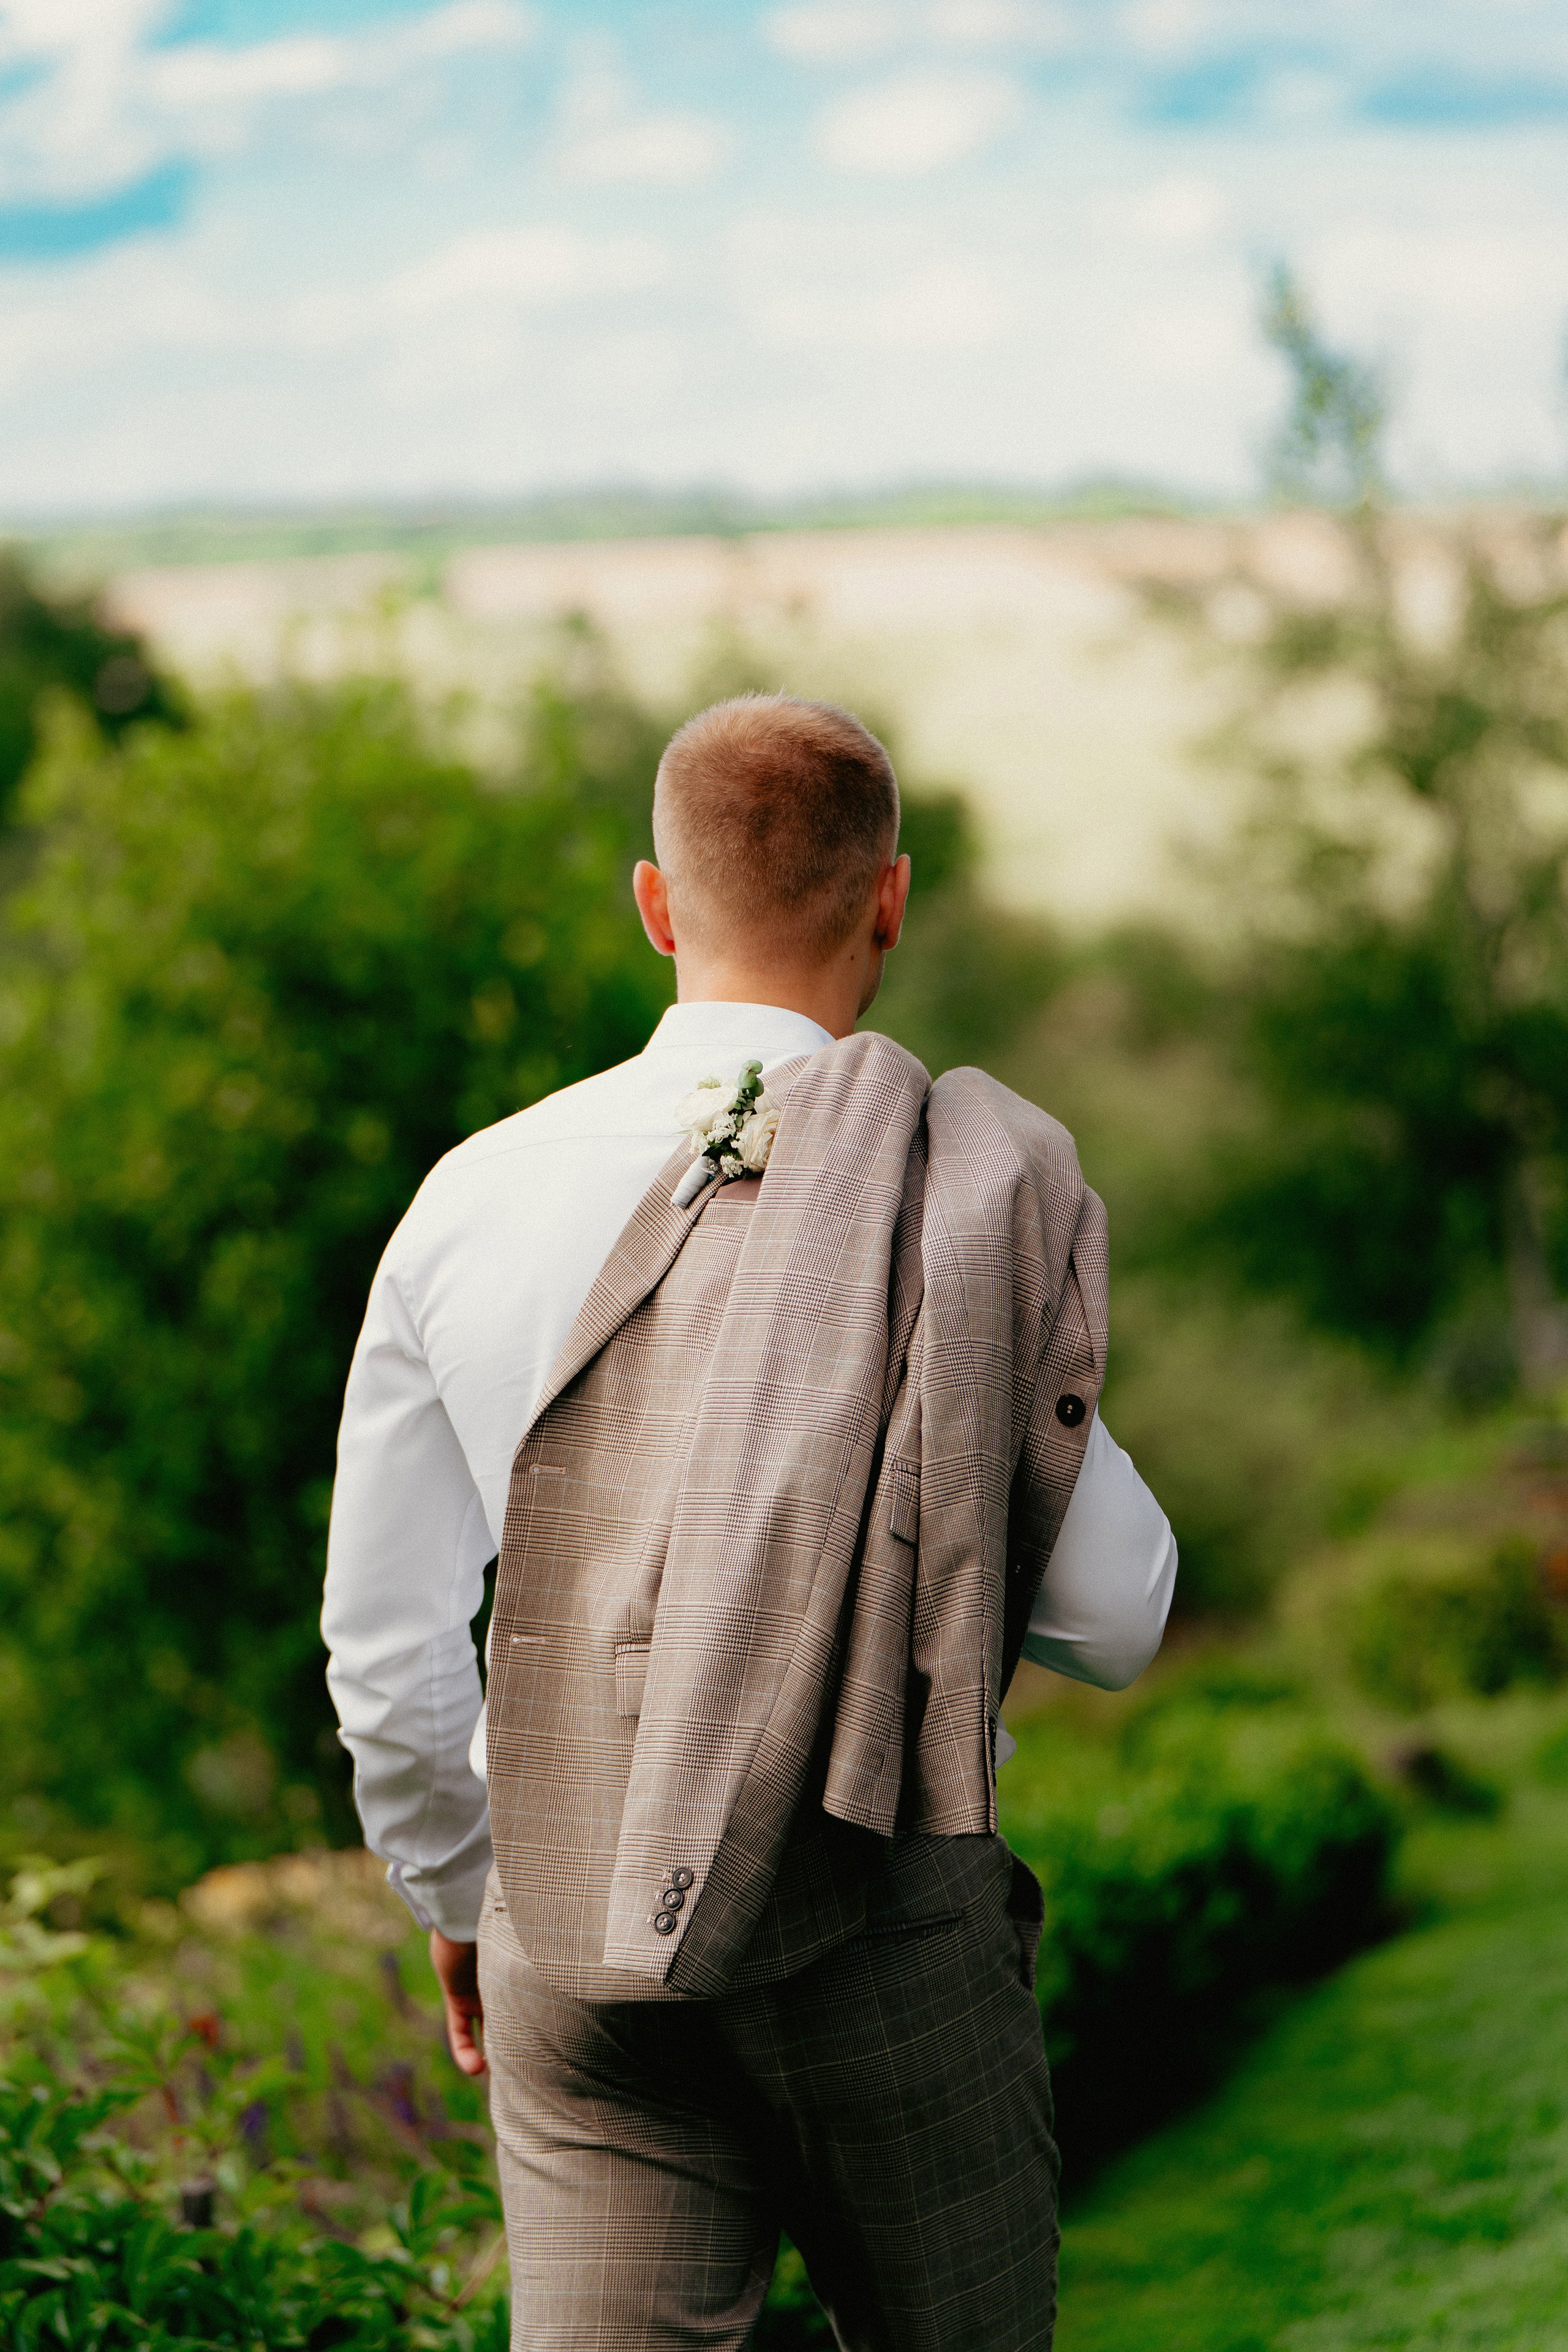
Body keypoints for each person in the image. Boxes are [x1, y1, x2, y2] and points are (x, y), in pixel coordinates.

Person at [323, 693, 1177, 2351]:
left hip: (568, 1936)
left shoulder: (471, 1195)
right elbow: (1124, 1615)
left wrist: (462, 1894)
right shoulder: (953, 1199)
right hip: (880, 1916)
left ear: (654, 901)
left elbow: (389, 1647)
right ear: (891, 900)